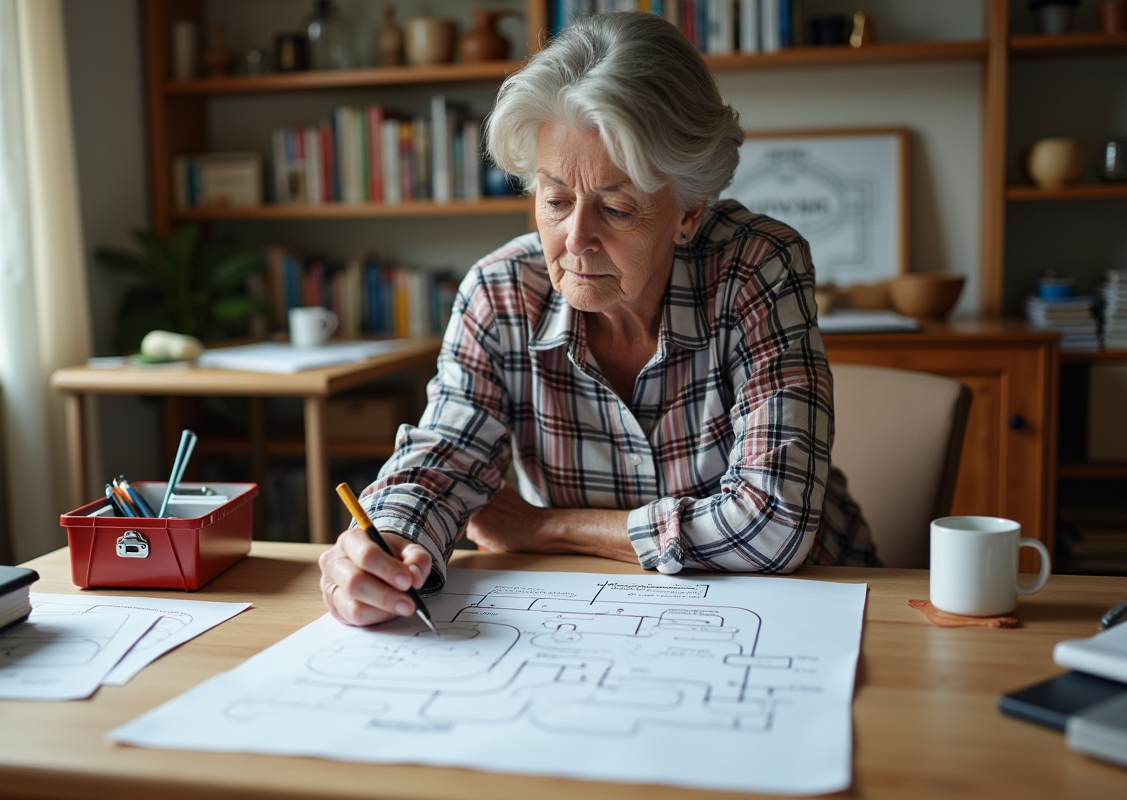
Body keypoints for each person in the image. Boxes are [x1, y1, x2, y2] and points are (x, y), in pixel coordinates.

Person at [320, 11, 879, 627]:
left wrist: (544, 526)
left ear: (689, 211)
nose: (574, 238)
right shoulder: (502, 292)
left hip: (806, 609)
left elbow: (774, 525)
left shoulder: (755, 269)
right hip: (589, 615)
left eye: (615, 208)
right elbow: (443, 455)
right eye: (555, 200)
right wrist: (387, 542)